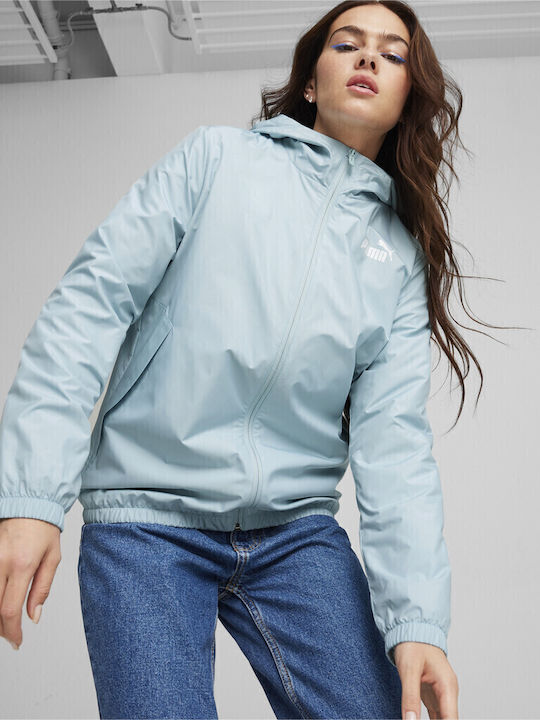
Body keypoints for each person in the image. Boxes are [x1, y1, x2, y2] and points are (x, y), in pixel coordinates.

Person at [0, 0, 472, 717]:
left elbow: (395, 443)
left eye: (393, 53)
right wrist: (33, 499)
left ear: (408, 95)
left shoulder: (397, 256)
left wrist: (416, 622)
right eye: (347, 43)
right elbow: (88, 306)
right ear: (310, 82)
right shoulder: (215, 160)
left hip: (294, 531)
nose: (369, 57)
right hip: (146, 517)